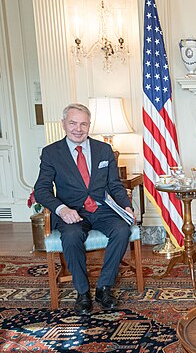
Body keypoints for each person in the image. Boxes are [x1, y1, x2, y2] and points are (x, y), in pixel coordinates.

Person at [34, 103, 134, 315]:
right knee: (71, 237)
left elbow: (115, 184)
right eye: (73, 123)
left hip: (101, 208)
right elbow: (41, 190)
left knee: (122, 229)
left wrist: (126, 205)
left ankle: (104, 288)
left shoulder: (104, 150)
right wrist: (61, 209)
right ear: (64, 124)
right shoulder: (51, 153)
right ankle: (82, 293)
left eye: (83, 124)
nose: (78, 129)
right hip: (71, 211)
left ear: (89, 125)